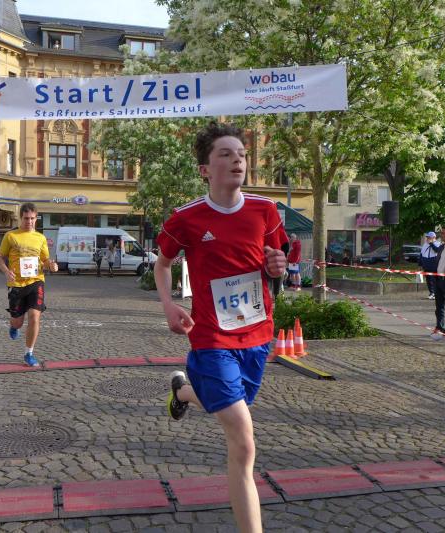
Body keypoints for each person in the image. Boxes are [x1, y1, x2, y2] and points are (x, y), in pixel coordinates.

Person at [155, 122, 288, 533]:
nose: (237, 161)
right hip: (211, 339)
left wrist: (278, 266)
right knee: (243, 442)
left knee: (233, 405)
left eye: (242, 155)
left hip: (257, 336)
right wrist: (168, 305)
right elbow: (163, 264)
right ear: (205, 169)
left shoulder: (265, 211)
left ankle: (182, 392)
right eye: (225, 154)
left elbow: (277, 260)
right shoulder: (187, 218)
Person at [0, 203, 58, 367]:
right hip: (16, 283)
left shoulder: (40, 238)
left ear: (36, 219)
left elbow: (45, 260)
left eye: (32, 218)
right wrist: (6, 271)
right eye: (26, 218)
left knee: (35, 316)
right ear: (20, 218)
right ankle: (13, 326)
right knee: (18, 322)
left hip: (36, 281)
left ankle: (28, 353)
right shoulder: (11, 236)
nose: (29, 221)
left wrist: (51, 265)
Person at [418, 231, 440, 300]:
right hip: (426, 264)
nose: (427, 239)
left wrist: (431, 243)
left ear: (434, 238)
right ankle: (431, 292)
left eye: (429, 237)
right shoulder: (425, 244)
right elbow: (421, 254)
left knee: (433, 279)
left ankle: (436, 293)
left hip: (433, 263)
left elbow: (437, 250)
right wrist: (420, 264)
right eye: (427, 237)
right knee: (428, 279)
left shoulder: (438, 243)